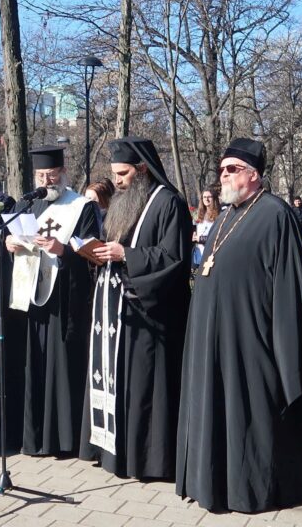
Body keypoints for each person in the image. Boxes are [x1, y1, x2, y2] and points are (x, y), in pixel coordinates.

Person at [176, 138, 302, 512]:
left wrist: (286, 353)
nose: (223, 175)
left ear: (254, 175)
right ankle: (212, 482)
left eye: (231, 169)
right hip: (213, 339)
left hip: (252, 343)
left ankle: (250, 489)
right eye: (221, 169)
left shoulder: (275, 214)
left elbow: (288, 287)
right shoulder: (225, 216)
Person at [78, 136, 192, 480]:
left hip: (152, 315)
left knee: (145, 389)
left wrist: (126, 255)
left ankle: (146, 461)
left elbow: (174, 258)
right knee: (122, 384)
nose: (118, 181)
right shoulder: (122, 202)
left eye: (124, 173)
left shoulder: (169, 202)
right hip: (118, 313)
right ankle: (115, 452)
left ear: (142, 170)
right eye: (114, 174)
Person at [5, 146, 99, 456]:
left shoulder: (81, 207)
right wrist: (9, 242)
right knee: (31, 365)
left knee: (60, 366)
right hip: (30, 299)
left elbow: (91, 254)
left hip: (63, 300)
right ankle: (31, 437)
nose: (47, 181)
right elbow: (13, 237)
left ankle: (62, 439)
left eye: (52, 175)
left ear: (63, 173)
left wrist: (64, 250)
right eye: (42, 176)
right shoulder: (27, 204)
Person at [191, 189, 220, 270]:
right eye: (204, 197)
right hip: (200, 254)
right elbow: (195, 232)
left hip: (213, 255)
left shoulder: (219, 215)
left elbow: (219, 236)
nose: (206, 199)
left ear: (214, 198)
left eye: (209, 197)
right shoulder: (199, 215)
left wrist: (201, 239)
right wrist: (193, 236)